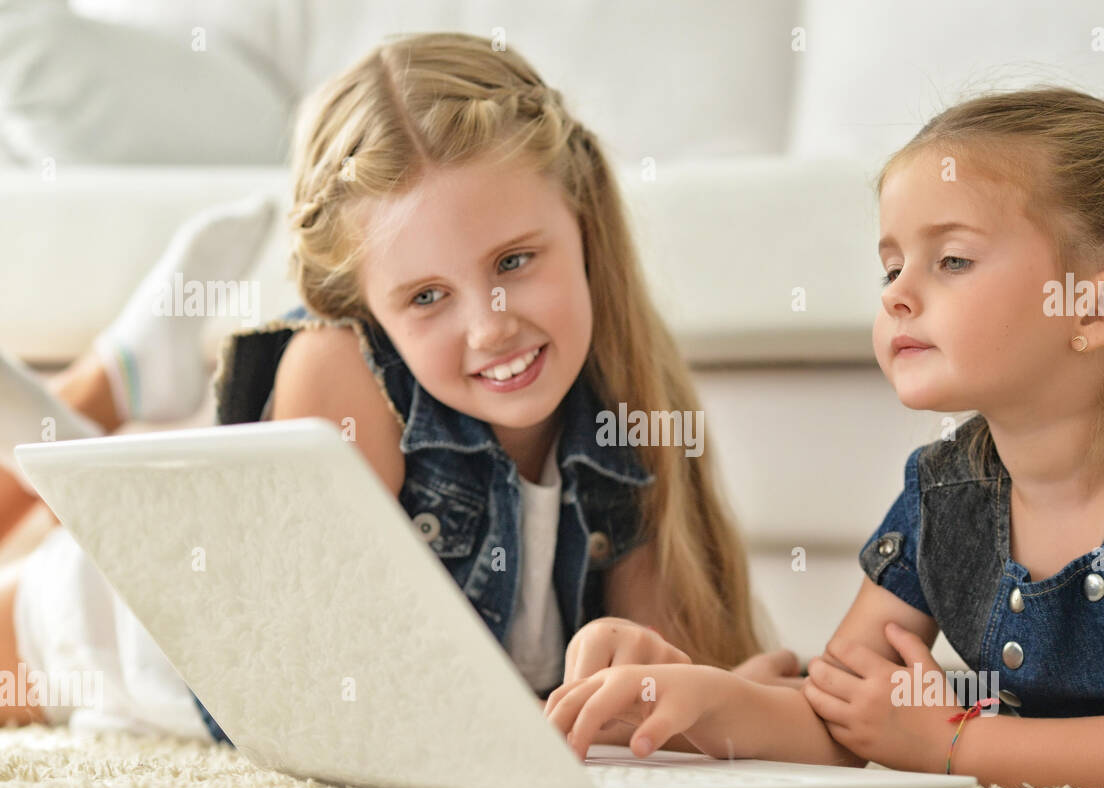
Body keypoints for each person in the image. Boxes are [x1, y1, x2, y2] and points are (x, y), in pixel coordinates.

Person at [545, 27, 1104, 788]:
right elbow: (846, 716)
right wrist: (695, 695)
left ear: (1101, 306)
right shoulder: (943, 488)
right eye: (891, 265)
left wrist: (952, 742)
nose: (897, 293)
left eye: (953, 260)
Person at [0, 32, 795, 741]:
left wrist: (690, 691)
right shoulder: (342, 375)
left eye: (514, 261)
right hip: (123, 622)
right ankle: (103, 402)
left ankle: (115, 393)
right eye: (426, 296)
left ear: (583, 220)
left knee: (118, 477)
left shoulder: (626, 420)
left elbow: (663, 701)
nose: (491, 327)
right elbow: (332, 701)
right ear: (367, 311)